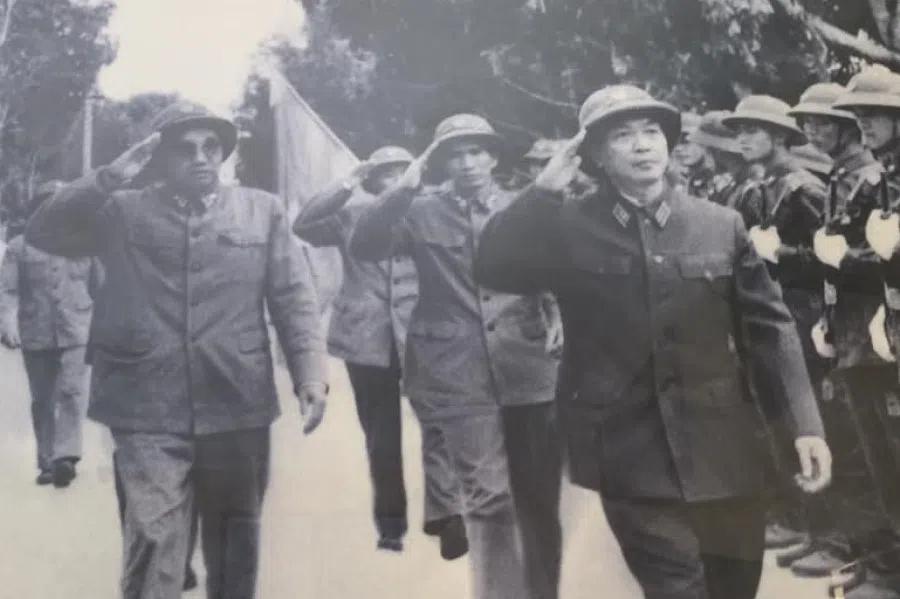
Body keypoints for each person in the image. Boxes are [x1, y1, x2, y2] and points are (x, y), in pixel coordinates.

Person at [473, 84, 833, 599]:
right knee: (677, 589)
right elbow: (493, 267)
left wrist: (804, 426)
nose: (643, 146)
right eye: (623, 136)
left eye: (652, 133)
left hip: (725, 452)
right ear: (593, 154)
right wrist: (542, 192)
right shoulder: (565, 227)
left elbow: (770, 330)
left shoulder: (719, 225)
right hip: (628, 453)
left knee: (735, 588)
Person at [24, 102, 329, 599]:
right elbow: (43, 232)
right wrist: (108, 177)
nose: (201, 158)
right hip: (145, 404)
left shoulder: (261, 211)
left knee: (235, 544)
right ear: (158, 158)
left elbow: (294, 297)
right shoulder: (122, 210)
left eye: (212, 147)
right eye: (184, 149)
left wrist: (310, 375)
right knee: (154, 537)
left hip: (236, 399)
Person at [349, 113, 561, 599]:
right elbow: (365, 245)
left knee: (537, 500)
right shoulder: (419, 211)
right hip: (453, 368)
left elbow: (553, 269)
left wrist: (557, 311)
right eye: (455, 154)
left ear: (494, 157)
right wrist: (402, 188)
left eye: (477, 152)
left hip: (526, 364)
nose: (467, 163)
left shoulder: (521, 208)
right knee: (487, 497)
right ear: (439, 162)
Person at [293, 145, 468, 558]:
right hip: (365, 338)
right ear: (372, 182)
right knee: (381, 437)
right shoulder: (351, 215)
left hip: (424, 334)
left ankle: (447, 516)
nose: (392, 181)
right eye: (383, 175)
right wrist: (347, 181)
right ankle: (390, 524)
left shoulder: (429, 213)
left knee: (440, 425)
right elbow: (304, 224)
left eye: (400, 173)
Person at [0, 180, 97, 487]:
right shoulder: (19, 247)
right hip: (36, 329)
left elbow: (103, 286)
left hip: (77, 327)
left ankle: (65, 457)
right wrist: (8, 322)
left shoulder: (86, 245)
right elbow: (9, 290)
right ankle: (46, 461)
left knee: (71, 391)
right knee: (43, 399)